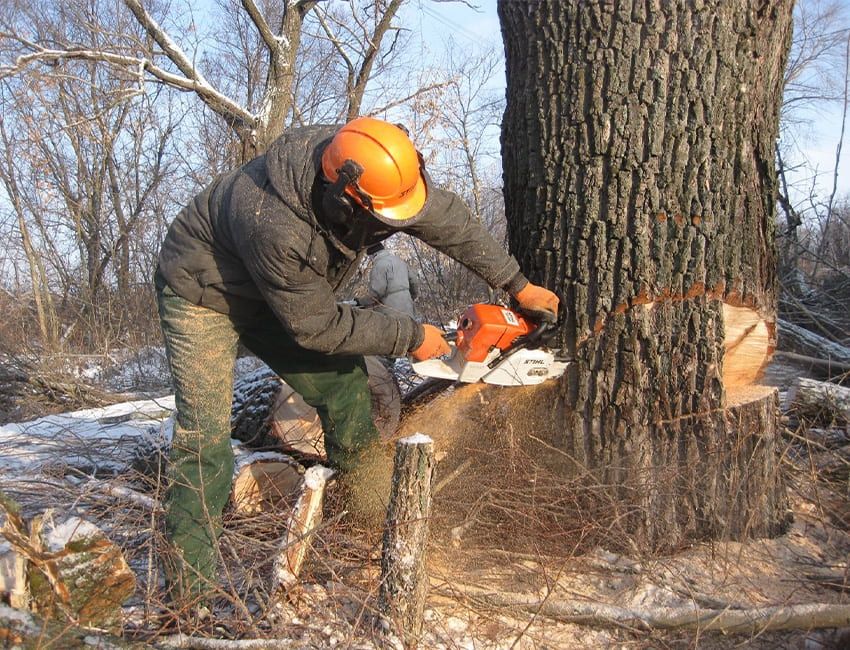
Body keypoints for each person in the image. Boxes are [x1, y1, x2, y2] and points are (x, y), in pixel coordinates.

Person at [154, 116, 559, 601]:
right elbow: (317, 325)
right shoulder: (274, 221)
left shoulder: (375, 170)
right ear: (344, 198)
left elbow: (448, 219)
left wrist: (516, 283)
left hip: (282, 290)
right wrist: (410, 336)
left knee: (346, 390)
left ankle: (372, 516)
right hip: (203, 292)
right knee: (204, 441)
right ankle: (186, 598)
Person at [355, 242, 420, 319]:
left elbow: (376, 294)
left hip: (390, 311)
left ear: (373, 255)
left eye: (370, 257)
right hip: (408, 307)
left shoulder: (378, 266)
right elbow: (414, 281)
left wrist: (360, 302)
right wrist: (411, 297)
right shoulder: (399, 261)